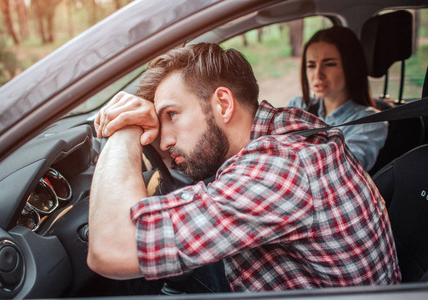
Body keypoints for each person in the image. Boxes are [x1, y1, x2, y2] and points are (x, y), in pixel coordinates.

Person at [87, 43, 401, 292]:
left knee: (141, 280)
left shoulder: (279, 170)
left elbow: (112, 249)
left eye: (172, 115)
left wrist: (125, 129)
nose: (165, 141)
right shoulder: (287, 124)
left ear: (223, 104)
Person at [287, 26, 388, 171]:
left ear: (351, 67)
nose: (318, 74)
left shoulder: (371, 122)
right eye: (311, 65)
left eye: (329, 64)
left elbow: (342, 171)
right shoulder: (297, 106)